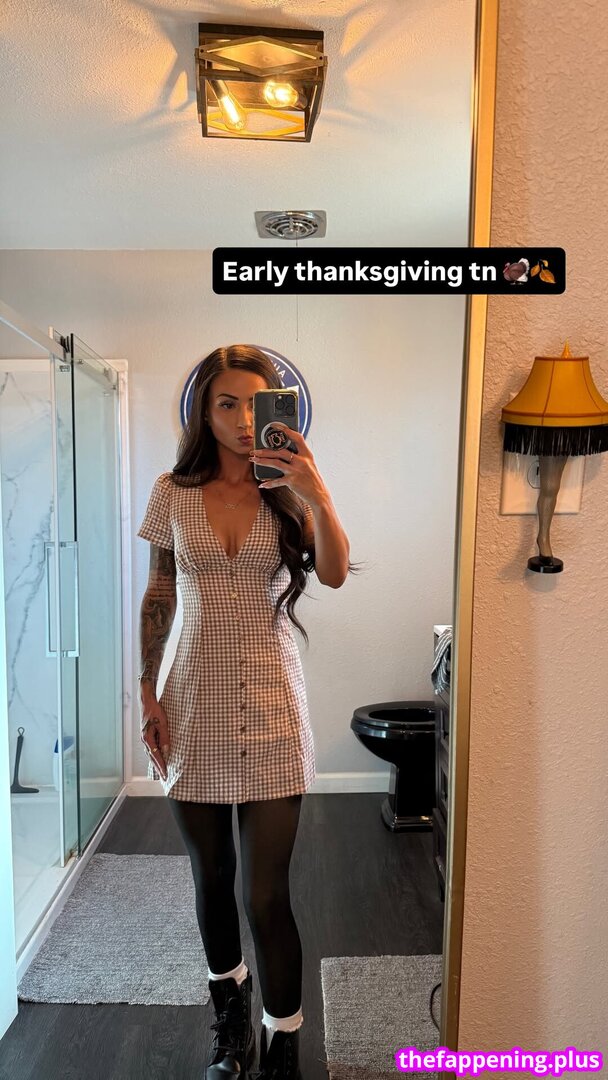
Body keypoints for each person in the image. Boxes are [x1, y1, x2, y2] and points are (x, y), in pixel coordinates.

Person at [136, 345, 357, 1080]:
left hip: (271, 704)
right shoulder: (171, 492)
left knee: (265, 895)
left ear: (275, 410)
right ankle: (231, 1026)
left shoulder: (286, 490)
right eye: (225, 403)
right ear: (204, 412)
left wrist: (316, 490)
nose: (238, 419)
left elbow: (333, 573)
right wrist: (146, 689)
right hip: (191, 697)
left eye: (253, 405)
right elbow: (160, 593)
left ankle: (283, 1044)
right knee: (211, 877)